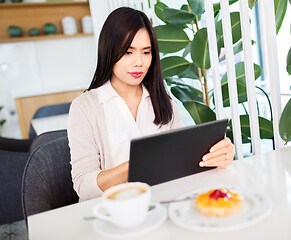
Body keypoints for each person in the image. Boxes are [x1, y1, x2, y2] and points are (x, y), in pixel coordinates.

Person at [68, 7, 234, 201]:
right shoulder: (85, 108)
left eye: (146, 52)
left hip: (162, 205)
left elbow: (181, 162)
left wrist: (217, 156)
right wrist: (138, 165)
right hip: (114, 213)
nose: (139, 62)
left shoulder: (164, 100)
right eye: (128, 52)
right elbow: (83, 187)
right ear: (109, 51)